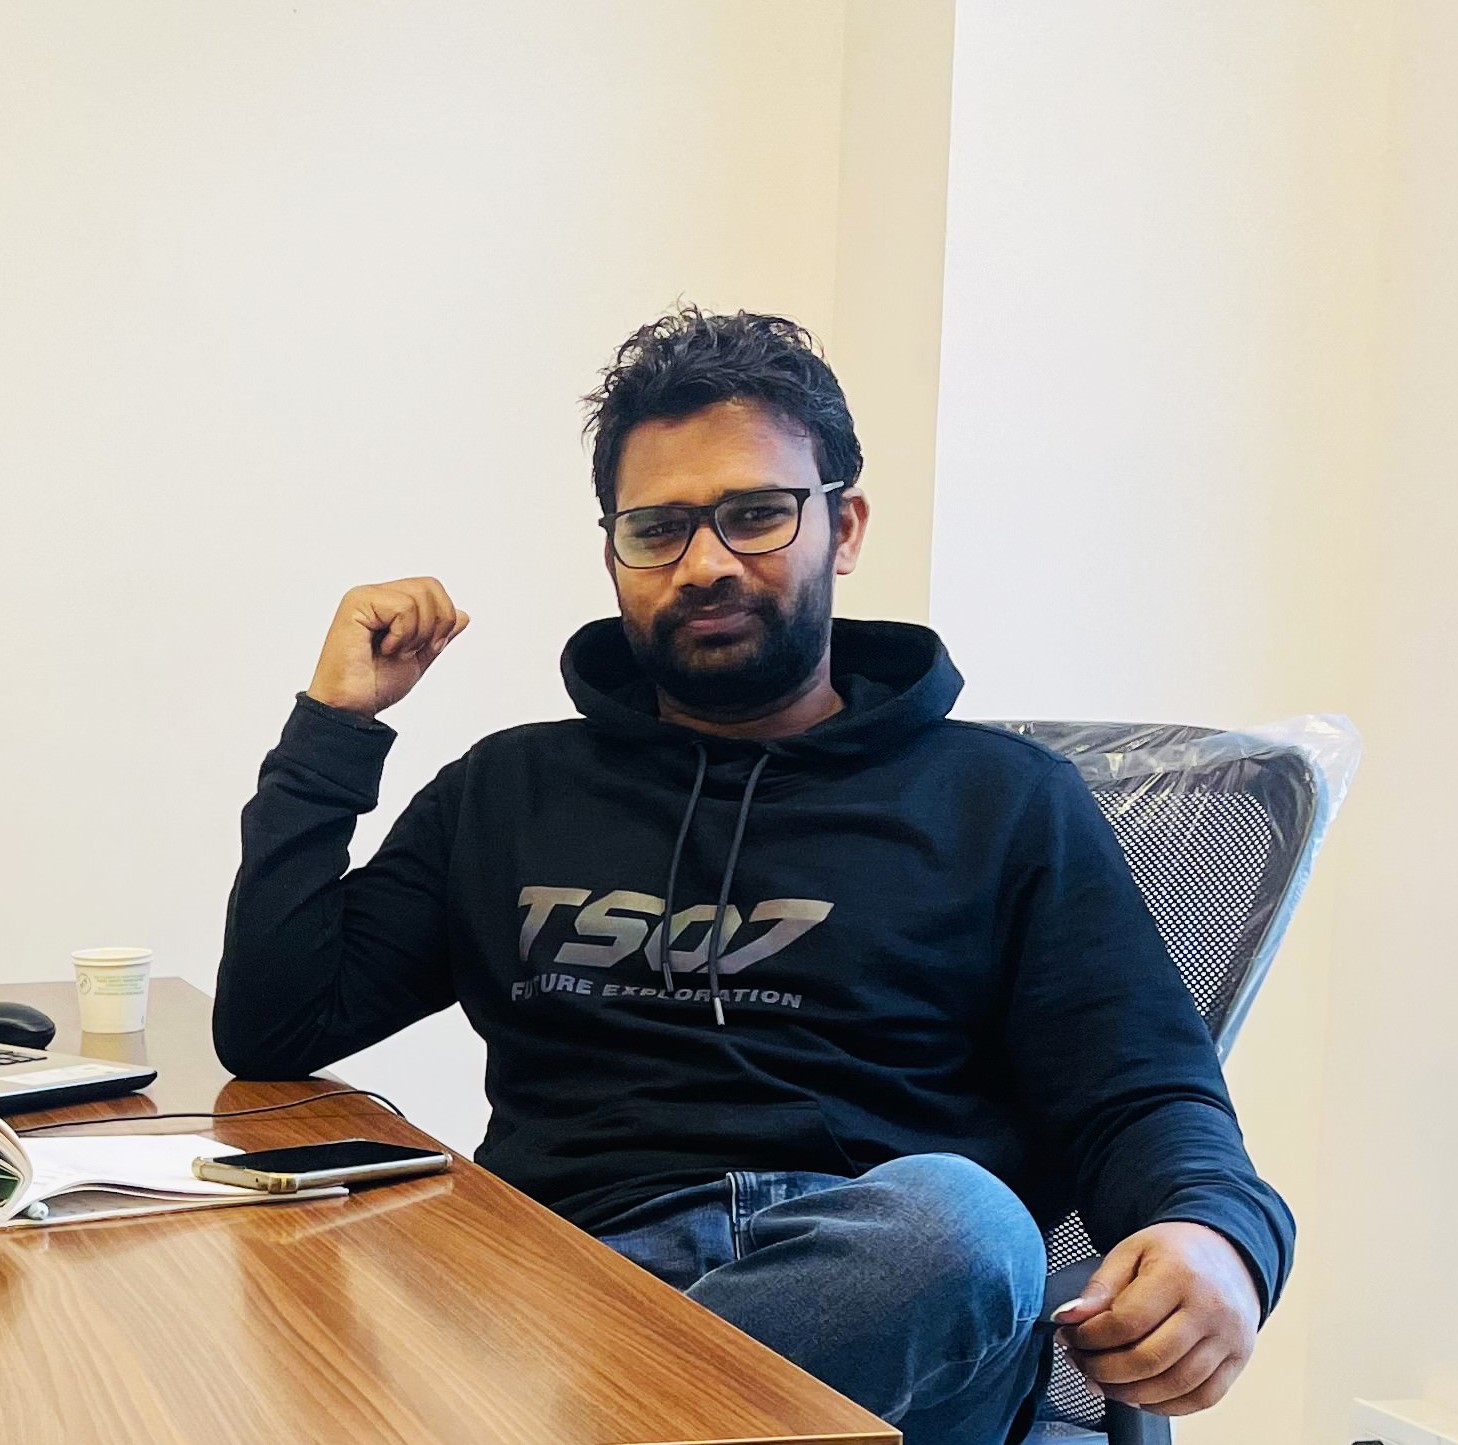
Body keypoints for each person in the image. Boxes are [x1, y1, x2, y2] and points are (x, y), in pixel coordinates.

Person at [215, 307, 1293, 1444]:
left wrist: (1215, 1236)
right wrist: (335, 726)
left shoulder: (1007, 802)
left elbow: (1146, 1095)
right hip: (573, 1286)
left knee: (966, 1228)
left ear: (846, 525)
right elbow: (279, 1022)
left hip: (887, 1326)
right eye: (659, 528)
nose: (707, 563)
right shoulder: (511, 790)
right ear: (612, 552)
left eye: (755, 515)